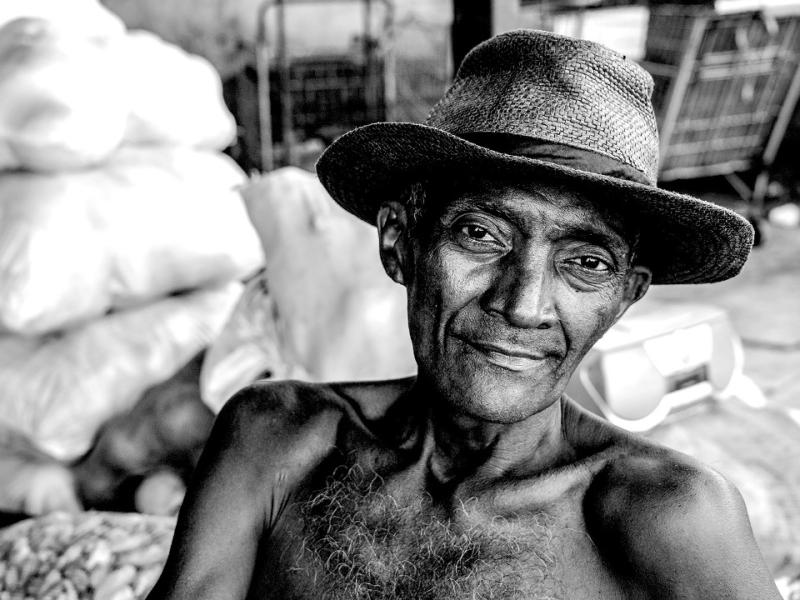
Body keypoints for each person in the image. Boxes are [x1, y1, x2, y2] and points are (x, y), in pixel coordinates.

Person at [147, 29, 780, 599]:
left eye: (586, 264)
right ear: (400, 242)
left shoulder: (667, 516)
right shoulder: (276, 438)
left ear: (624, 297)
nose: (524, 305)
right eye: (481, 234)